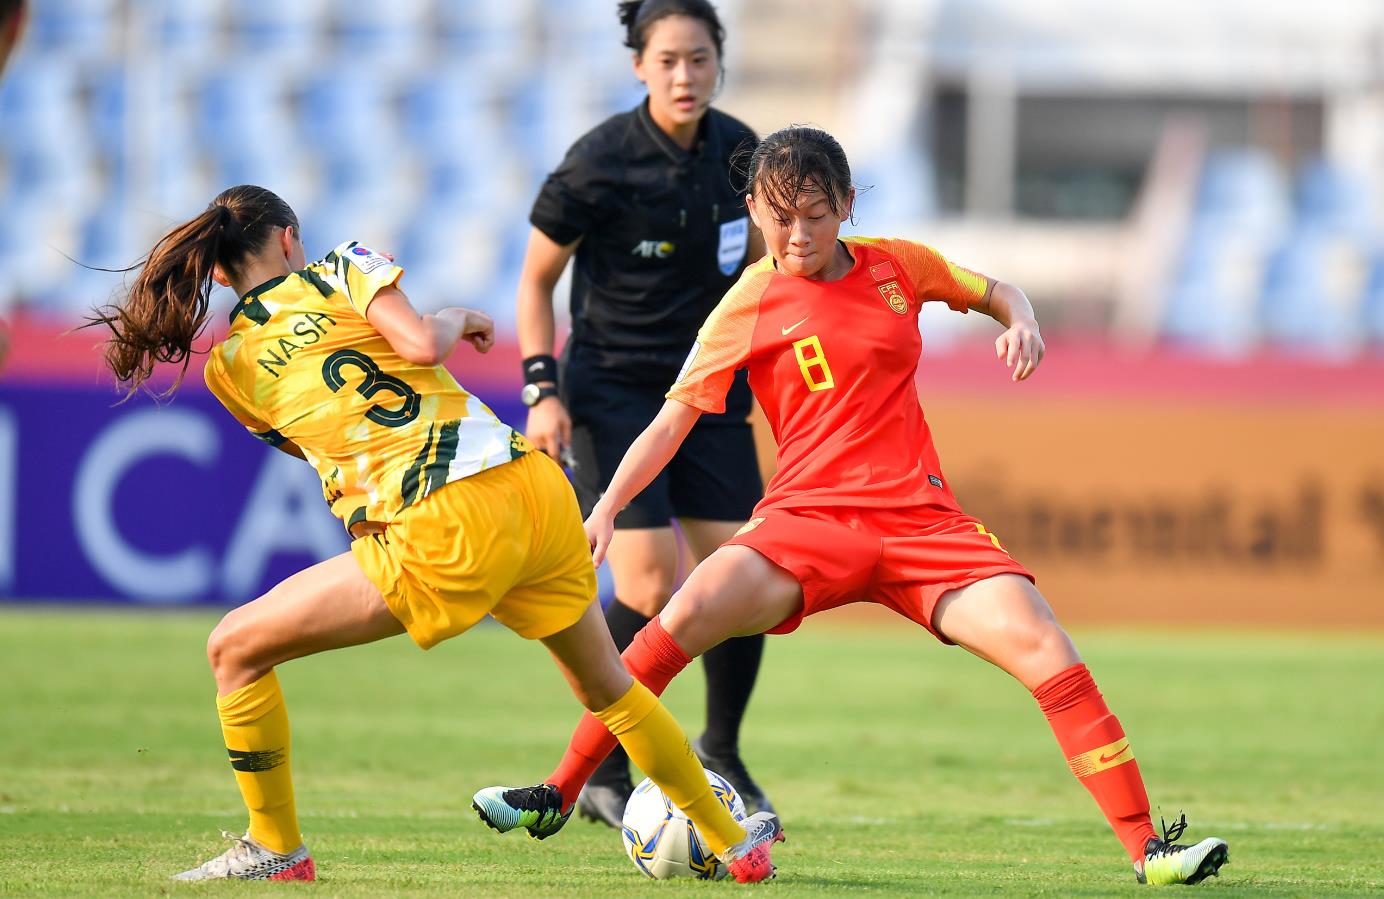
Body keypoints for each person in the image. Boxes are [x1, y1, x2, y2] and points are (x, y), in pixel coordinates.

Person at [475, 127, 1231, 886]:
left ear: (845, 205)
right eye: (780, 219)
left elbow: (996, 290)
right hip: (807, 522)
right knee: (682, 614)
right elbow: (673, 422)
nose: (797, 236)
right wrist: (608, 505)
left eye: (814, 215)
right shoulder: (748, 302)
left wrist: (1021, 320)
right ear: (753, 210)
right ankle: (559, 792)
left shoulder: (899, 264)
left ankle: (1149, 849)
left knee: (1045, 643)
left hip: (921, 522)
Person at [85, 184, 783, 883]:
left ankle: (275, 847)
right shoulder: (343, 266)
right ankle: (736, 845)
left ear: (214, 270)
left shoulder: (229, 371)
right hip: (530, 486)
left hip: (443, 517)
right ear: (289, 239)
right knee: (610, 687)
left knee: (233, 648)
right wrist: (453, 317)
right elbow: (420, 343)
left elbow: (324, 435)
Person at [514, 0, 772, 827]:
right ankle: (603, 762)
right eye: (667, 60)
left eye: (699, 58)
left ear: (719, 60)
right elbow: (535, 282)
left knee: (743, 573)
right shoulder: (598, 162)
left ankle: (721, 749)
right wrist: (541, 389)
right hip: (614, 390)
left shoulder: (743, 154)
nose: (684, 75)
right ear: (638, 67)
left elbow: (764, 269)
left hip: (709, 387)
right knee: (651, 579)